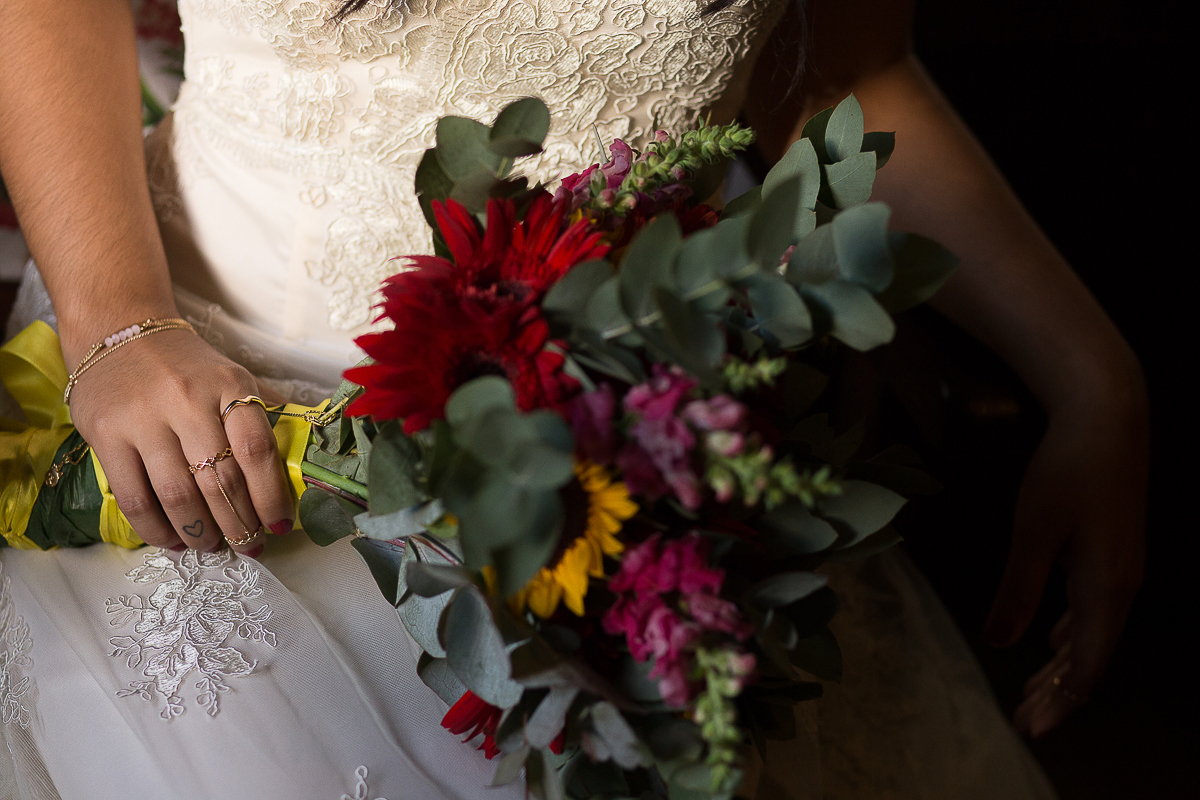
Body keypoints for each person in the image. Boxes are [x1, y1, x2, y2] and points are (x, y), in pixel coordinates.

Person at [0, 0, 1147, 798]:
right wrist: (119, 323)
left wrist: (1094, 375)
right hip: (196, 375)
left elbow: (845, 72)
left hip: (601, 463)